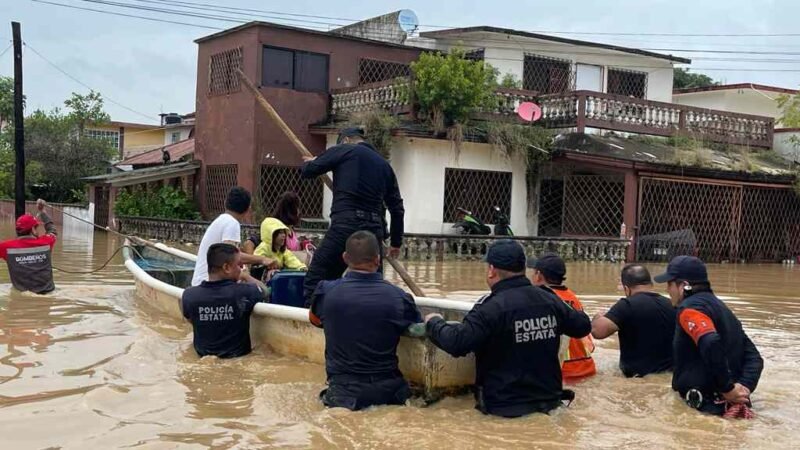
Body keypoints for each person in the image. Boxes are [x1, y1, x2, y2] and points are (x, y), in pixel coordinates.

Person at [425, 240, 591, 418]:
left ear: (491, 270)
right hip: (550, 406)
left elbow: (457, 342)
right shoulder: (549, 299)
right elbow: (582, 326)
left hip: (504, 411)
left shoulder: (490, 308)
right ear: (523, 267)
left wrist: (434, 322)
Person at [309, 231, 421, 411]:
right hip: (391, 394)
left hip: (343, 396)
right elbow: (416, 325)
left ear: (345, 258)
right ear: (378, 259)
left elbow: (314, 320)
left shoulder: (326, 292)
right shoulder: (400, 298)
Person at [300, 127, 405, 304]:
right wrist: (396, 242)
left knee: (317, 279)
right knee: (372, 286)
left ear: (346, 140)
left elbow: (307, 171)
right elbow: (397, 208)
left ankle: (316, 321)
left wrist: (315, 161)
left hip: (345, 226)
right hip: (373, 232)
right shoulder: (384, 165)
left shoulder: (343, 150)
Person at [655, 256, 763, 418]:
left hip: (702, 411)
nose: (667, 290)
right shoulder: (724, 310)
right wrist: (742, 389)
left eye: (670, 284)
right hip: (732, 410)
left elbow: (710, 341)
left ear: (683, 286)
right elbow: (755, 358)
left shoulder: (690, 309)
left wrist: (728, 389)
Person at [181, 243, 268, 358]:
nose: (241, 268)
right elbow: (265, 290)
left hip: (202, 359)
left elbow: (189, 317)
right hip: (238, 361)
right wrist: (245, 276)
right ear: (226, 268)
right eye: (239, 265)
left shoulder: (189, 295)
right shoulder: (244, 292)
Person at [591, 264, 675, 377]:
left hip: (636, 378)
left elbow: (597, 331)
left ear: (626, 288)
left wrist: (597, 317)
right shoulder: (671, 304)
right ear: (651, 284)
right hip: (669, 374)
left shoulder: (627, 305)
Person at [528, 253, 596, 380]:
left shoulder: (538, 299)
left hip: (563, 372)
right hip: (587, 367)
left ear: (538, 275)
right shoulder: (572, 297)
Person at [191, 186, 275, 286]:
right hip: (208, 283)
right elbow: (231, 257)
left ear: (225, 202)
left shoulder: (222, 220)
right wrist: (262, 259)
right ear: (248, 209)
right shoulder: (232, 224)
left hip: (204, 282)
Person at [0, 199, 58, 294]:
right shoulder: (46, 242)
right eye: (37, 227)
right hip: (48, 295)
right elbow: (52, 231)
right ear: (32, 229)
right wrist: (42, 212)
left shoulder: (5, 247)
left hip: (21, 296)